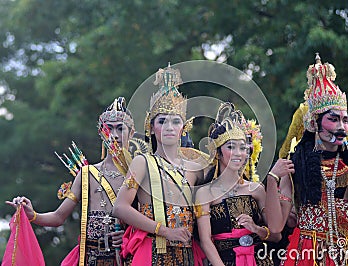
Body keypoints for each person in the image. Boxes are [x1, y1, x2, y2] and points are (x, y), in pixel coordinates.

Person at [265, 55, 348, 265]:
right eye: (333, 119)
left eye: (344, 120)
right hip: (308, 256)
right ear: (314, 124)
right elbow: (276, 227)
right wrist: (272, 178)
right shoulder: (295, 166)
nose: (341, 127)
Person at [6, 97, 135, 265]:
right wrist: (33, 215)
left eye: (121, 129)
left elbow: (150, 221)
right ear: (101, 132)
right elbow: (59, 217)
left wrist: (128, 235)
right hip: (90, 259)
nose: (114, 135)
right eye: (109, 129)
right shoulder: (87, 173)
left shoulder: (139, 174)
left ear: (131, 133)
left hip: (127, 258)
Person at [112, 65, 204, 265]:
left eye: (175, 122)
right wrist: (164, 230)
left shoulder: (195, 168)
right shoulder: (142, 162)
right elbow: (120, 207)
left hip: (187, 254)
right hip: (153, 250)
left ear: (184, 128)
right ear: (151, 128)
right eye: (162, 121)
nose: (169, 127)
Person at [195, 102, 289, 266]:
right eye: (231, 147)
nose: (238, 153)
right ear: (218, 152)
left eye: (243, 148)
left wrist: (256, 229)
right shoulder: (205, 193)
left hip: (258, 260)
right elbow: (205, 240)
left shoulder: (257, 190)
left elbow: (276, 235)